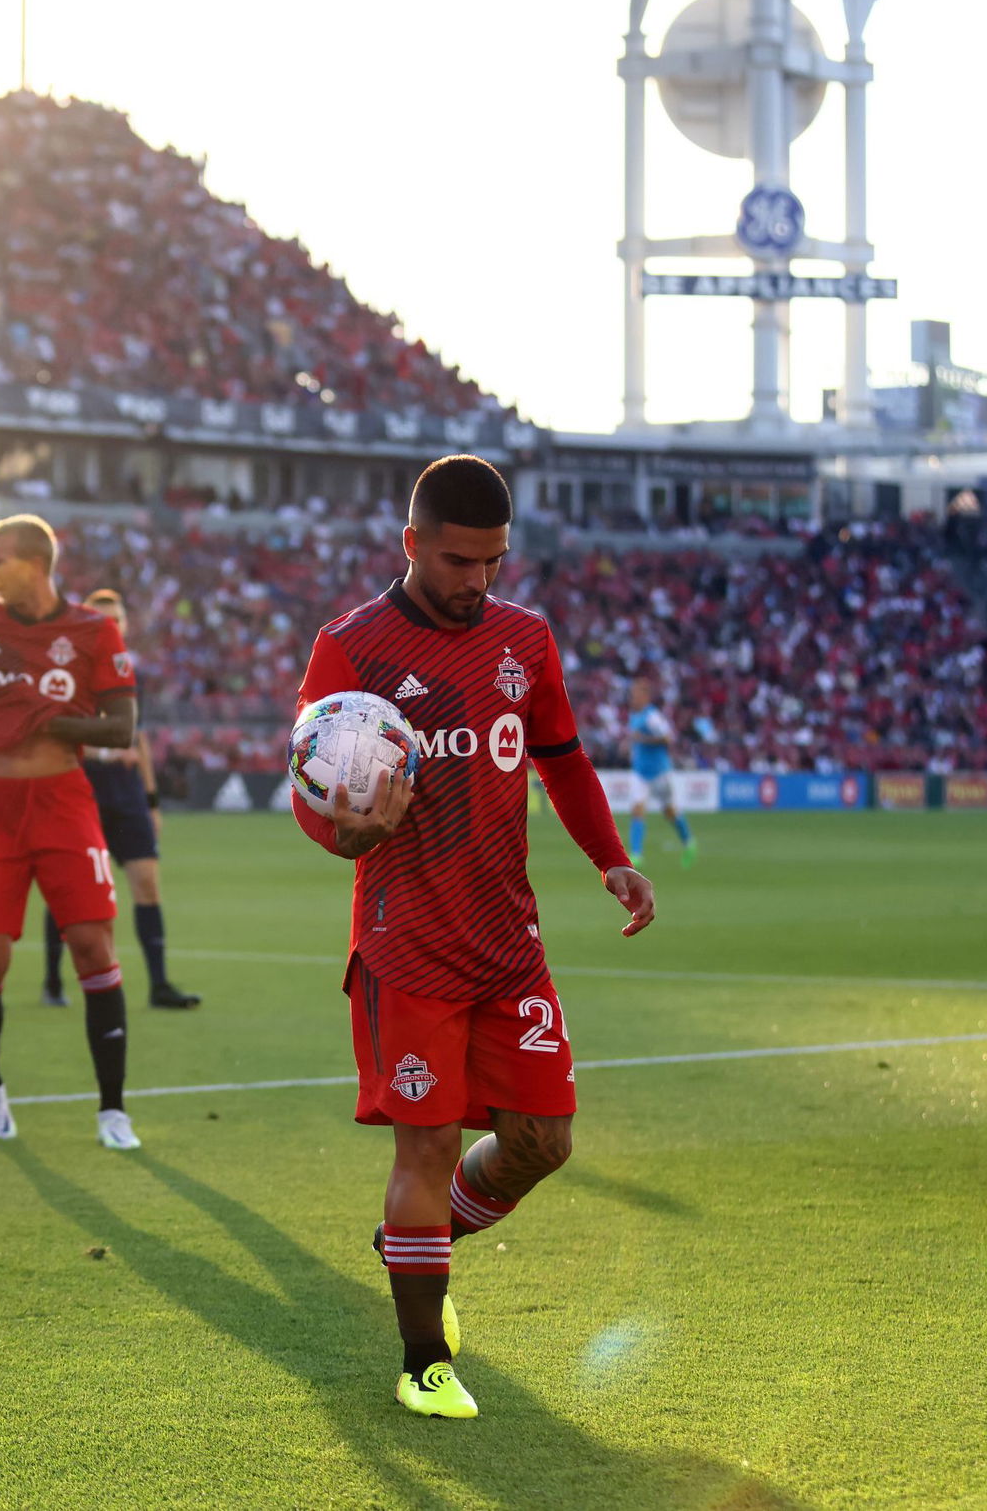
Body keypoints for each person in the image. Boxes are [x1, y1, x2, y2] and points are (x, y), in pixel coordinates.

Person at [290, 455, 656, 1421]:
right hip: (406, 945)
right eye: (459, 561)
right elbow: (312, 792)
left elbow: (565, 759)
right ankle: (422, 1362)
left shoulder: (524, 640)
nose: (479, 580)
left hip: (507, 941)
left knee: (543, 1139)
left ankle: (415, 1246)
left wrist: (609, 858)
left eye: (494, 561)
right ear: (412, 545)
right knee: (424, 1149)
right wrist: (344, 831)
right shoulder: (349, 649)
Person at [0, 515, 145, 1150]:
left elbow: (122, 726)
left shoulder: (92, 631)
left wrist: (51, 723)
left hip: (62, 802)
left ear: (33, 565)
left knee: (95, 951)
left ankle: (112, 1111)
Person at [41, 587, 202, 1011]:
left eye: (116, 620)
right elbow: (59, 732)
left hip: (127, 792)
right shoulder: (68, 675)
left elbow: (139, 738)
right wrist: (107, 749)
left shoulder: (131, 674)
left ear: (126, 626)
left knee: (147, 883)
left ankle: (159, 986)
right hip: (82, 789)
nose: (110, 627)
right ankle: (52, 980)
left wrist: (151, 800)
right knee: (68, 888)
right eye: (101, 619)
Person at [625, 676, 695, 868]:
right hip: (640, 772)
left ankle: (689, 841)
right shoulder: (633, 715)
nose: (632, 698)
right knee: (637, 810)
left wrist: (644, 739)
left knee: (669, 812)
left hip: (659, 772)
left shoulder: (652, 716)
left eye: (636, 694)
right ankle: (636, 855)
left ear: (645, 697)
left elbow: (668, 738)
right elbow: (636, 739)